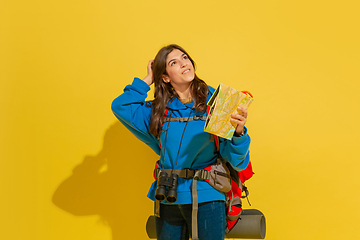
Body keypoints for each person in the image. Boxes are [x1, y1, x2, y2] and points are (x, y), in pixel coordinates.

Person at [111, 44, 250, 240]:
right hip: (169, 195)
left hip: (207, 197)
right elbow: (120, 105)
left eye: (185, 57)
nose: (184, 63)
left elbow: (238, 162)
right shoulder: (159, 112)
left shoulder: (218, 104)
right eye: (174, 62)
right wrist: (148, 79)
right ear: (165, 77)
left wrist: (239, 132)